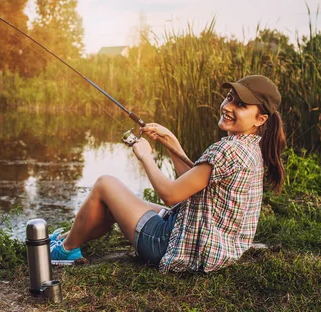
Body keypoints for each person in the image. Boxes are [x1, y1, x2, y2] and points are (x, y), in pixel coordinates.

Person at [49, 75, 286, 272]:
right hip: (213, 242)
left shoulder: (227, 149)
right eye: (229, 97)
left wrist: (145, 156)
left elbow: (172, 195)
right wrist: (170, 140)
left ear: (261, 118)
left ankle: (66, 250)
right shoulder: (251, 146)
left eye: (241, 105)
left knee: (105, 184)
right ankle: (67, 240)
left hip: (176, 246)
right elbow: (193, 186)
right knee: (113, 203)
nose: (228, 106)